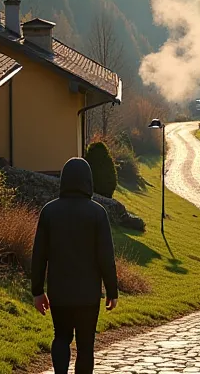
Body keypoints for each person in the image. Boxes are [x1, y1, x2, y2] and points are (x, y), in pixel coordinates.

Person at [31, 157, 119, 374]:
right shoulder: (97, 213)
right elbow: (105, 256)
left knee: (61, 337)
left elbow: (39, 255)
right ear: (88, 181)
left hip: (59, 292)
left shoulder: (49, 212)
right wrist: (112, 290)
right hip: (88, 295)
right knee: (85, 346)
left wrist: (37, 291)